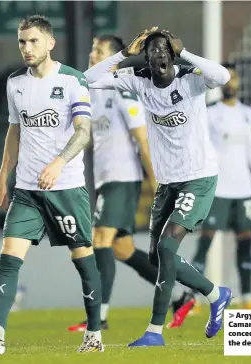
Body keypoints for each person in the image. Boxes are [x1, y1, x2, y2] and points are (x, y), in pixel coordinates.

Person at [0, 15, 104, 354]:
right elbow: (15, 130)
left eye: (33, 41)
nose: (26, 48)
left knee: (84, 260)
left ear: (50, 43)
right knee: (9, 257)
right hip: (27, 189)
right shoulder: (15, 83)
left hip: (66, 188)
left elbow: (84, 131)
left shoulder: (73, 80)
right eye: (22, 42)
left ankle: (95, 334)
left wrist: (58, 163)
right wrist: (3, 174)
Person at [84, 28, 233, 347]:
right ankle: (216, 294)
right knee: (156, 257)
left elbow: (221, 76)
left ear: (173, 54)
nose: (159, 56)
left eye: (165, 51)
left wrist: (187, 53)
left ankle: (154, 332)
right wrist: (125, 54)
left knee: (167, 249)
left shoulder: (190, 79)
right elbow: (89, 79)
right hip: (168, 183)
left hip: (199, 177)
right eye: (152, 52)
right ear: (147, 59)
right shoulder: (138, 80)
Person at [68, 35, 184, 332]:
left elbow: (141, 138)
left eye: (98, 50)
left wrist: (157, 180)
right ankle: (181, 298)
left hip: (123, 177)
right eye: (92, 48)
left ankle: (100, 317)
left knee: (100, 240)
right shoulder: (93, 90)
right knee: (122, 249)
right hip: (107, 179)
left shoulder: (122, 88)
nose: (92, 54)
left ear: (112, 56)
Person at [168, 63, 251, 329]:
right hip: (218, 188)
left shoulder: (248, 114)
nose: (231, 83)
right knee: (206, 243)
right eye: (228, 78)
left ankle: (248, 298)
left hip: (244, 189)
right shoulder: (210, 112)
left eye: (235, 78)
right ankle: (191, 299)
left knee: (245, 241)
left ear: (239, 83)